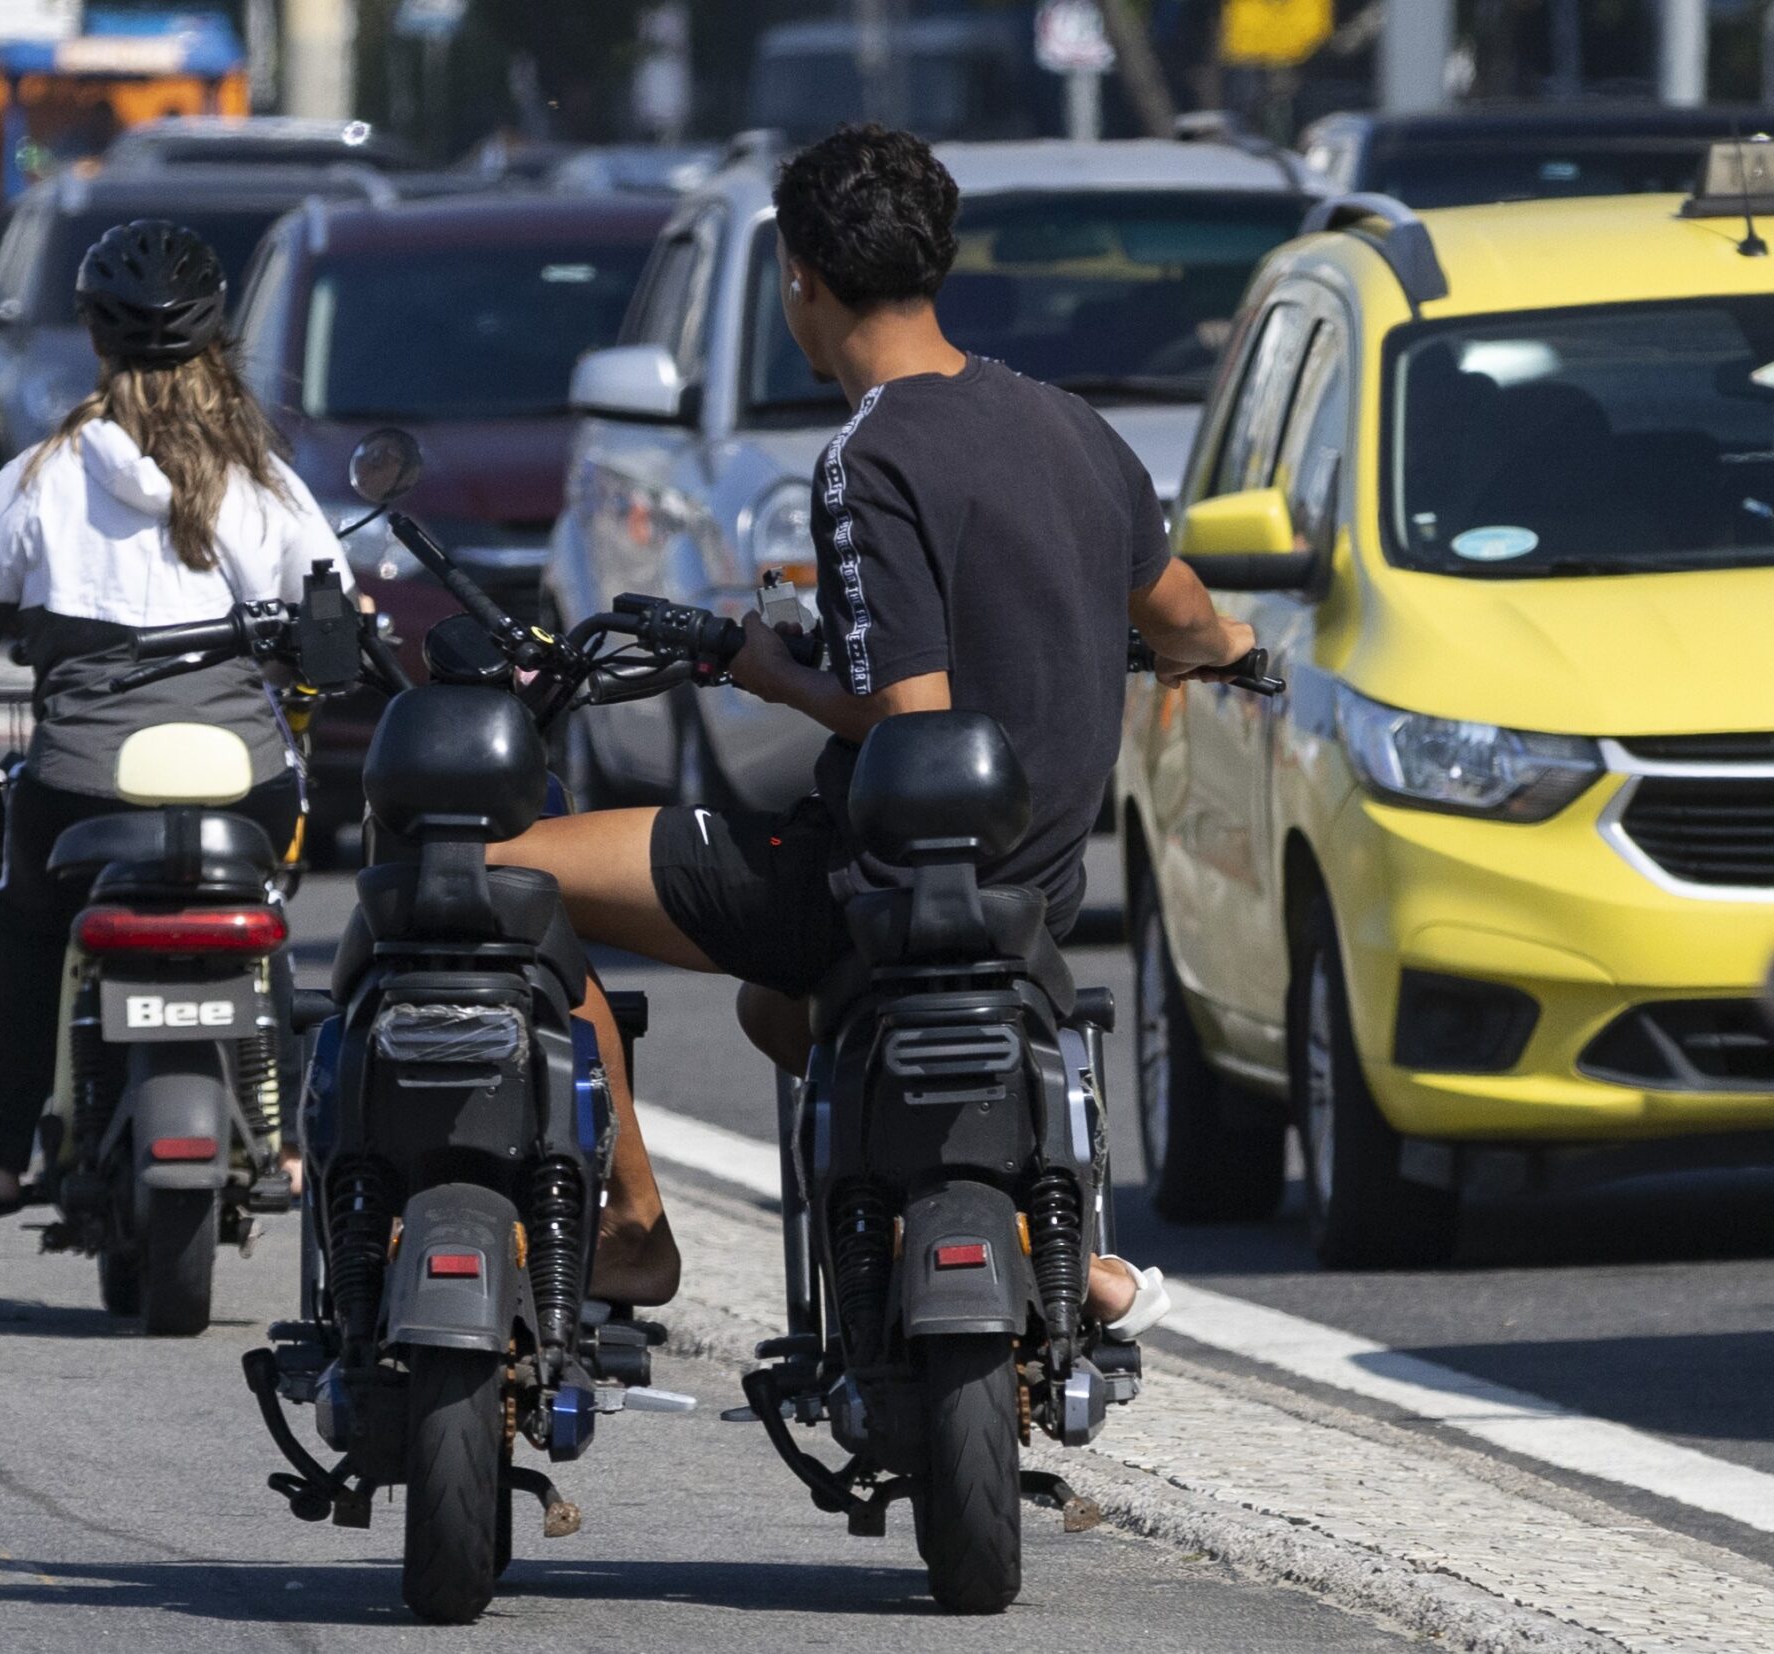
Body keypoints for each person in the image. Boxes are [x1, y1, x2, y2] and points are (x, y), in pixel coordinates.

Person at [494, 125, 1261, 1329]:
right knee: (774, 1010)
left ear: (799, 276)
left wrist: (761, 667)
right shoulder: (1069, 424)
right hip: (1038, 891)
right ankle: (1000, 1215)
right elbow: (1184, 616)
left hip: (887, 881)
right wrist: (1229, 658)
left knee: (508, 876)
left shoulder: (868, 457)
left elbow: (913, 730)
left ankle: (633, 1229)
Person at [0, 220, 350, 1217]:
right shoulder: (268, 486)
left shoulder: (36, 479)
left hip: (80, 785)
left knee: (26, 926)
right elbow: (337, 628)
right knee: (263, 923)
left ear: (94, 341)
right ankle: (276, 1141)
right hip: (246, 779)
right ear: (214, 340)